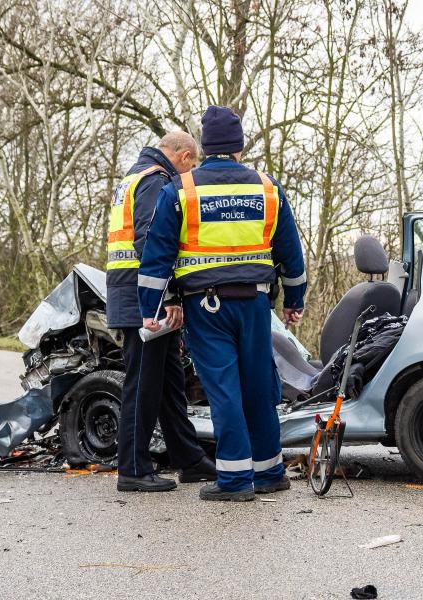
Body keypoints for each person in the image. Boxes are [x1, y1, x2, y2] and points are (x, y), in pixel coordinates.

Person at [138, 106, 306, 501]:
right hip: (255, 305)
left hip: (206, 308)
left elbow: (157, 255)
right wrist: (294, 301)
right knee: (259, 385)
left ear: (205, 146)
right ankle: (269, 471)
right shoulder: (267, 187)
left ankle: (233, 480)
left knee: (224, 389)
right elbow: (291, 253)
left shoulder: (181, 189)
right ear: (240, 147)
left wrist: (150, 307)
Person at [106, 132, 216, 492]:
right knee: (143, 385)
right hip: (145, 300)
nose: (192, 172)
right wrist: (167, 296)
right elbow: (152, 241)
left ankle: (189, 459)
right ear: (184, 157)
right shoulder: (156, 180)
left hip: (136, 296)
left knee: (169, 382)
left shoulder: (135, 176)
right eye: (193, 164)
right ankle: (133, 468)